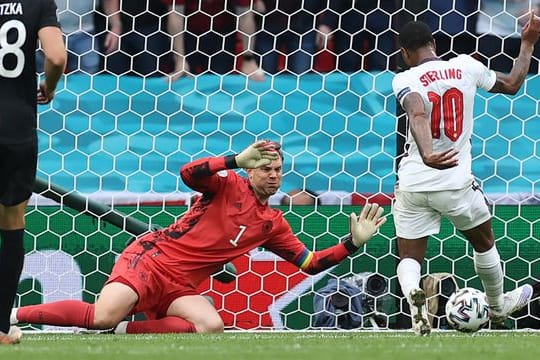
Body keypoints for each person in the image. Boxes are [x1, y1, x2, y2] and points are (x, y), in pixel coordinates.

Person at [9, 141, 386, 334]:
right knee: (102, 315)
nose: (273, 175)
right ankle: (7, 316)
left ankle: (126, 329)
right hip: (151, 258)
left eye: (279, 170)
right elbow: (188, 173)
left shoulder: (273, 223)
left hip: (180, 285)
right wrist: (234, 160)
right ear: (251, 169)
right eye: (265, 168)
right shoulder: (227, 185)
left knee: (211, 326)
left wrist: (352, 242)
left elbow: (311, 263)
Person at [391, 14, 540, 336]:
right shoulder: (465, 66)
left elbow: (416, 111)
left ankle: (415, 296)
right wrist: (527, 43)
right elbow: (513, 84)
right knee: (484, 242)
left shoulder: (404, 79)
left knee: (410, 255)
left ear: (404, 52)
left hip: (414, 179)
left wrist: (428, 153)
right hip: (455, 180)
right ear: (434, 44)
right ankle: (498, 306)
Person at [0, 0, 67, 345]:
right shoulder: (37, 3)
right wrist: (50, 86)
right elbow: (56, 57)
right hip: (16, 130)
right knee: (11, 225)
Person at [162, 0, 264, 81]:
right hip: (186, 35)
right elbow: (176, 13)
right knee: (183, 80)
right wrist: (180, 59)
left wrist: (248, 58)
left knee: (220, 84)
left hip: (222, 34)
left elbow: (244, 14)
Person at [476, 0, 540, 73]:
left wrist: (538, 9)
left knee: (533, 80)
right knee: (495, 79)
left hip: (533, 31)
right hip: (493, 31)